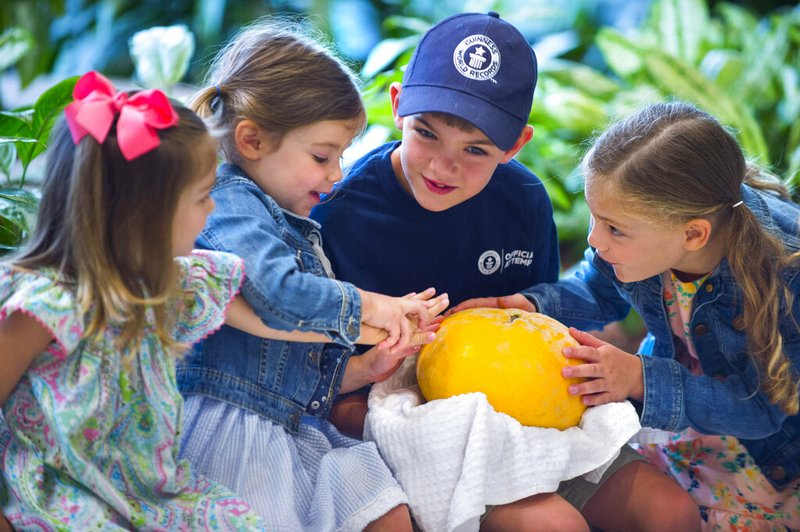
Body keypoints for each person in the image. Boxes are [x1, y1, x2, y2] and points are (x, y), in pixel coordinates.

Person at [312, 12, 700, 531]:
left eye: (476, 149)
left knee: (669, 512)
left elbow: (537, 334)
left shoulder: (523, 200)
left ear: (517, 144)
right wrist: (436, 427)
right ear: (398, 104)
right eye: (426, 134)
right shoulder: (337, 212)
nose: (442, 167)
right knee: (552, 525)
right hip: (398, 427)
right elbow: (325, 387)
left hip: (525, 418)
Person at [0, 71, 390, 529]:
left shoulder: (170, 284)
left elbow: (270, 318)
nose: (212, 210)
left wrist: (380, 321)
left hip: (143, 494)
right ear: (142, 213)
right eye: (203, 196)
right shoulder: (45, 306)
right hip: (58, 499)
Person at [452, 101, 800, 528]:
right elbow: (597, 290)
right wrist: (537, 305)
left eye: (614, 229)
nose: (596, 239)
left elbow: (764, 411)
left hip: (771, 457)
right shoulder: (650, 237)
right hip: (674, 419)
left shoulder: (787, 275)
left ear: (693, 233)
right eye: (596, 219)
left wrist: (639, 379)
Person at [175, 19, 448, 532]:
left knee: (387, 511)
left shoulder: (282, 217)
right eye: (323, 156)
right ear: (251, 140)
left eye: (341, 156)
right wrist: (374, 307)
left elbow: (287, 363)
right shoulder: (226, 203)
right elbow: (277, 295)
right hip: (232, 429)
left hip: (289, 426)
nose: (338, 173)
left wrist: (364, 370)